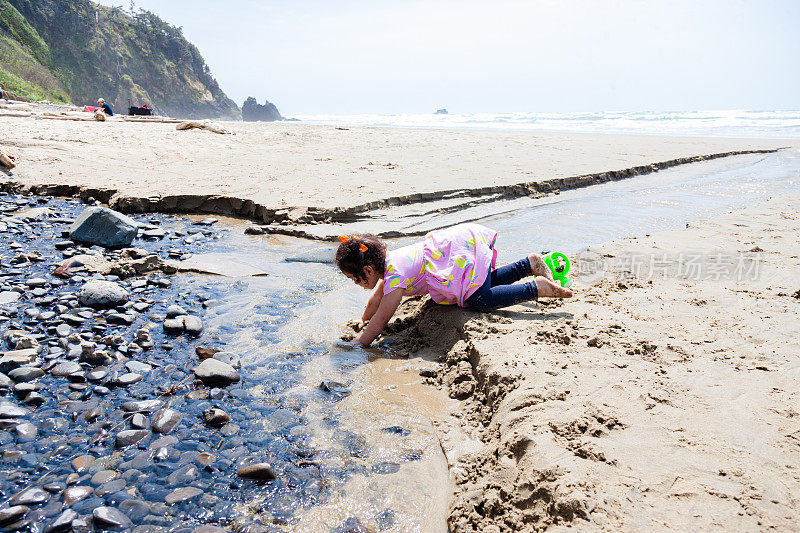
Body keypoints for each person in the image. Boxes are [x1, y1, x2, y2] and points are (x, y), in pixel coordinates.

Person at [335, 223, 573, 346]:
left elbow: (383, 317)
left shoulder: (395, 277)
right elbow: (375, 302)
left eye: (355, 279)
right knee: (481, 284)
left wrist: (361, 342)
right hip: (456, 247)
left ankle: (536, 288)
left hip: (458, 251)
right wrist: (363, 319)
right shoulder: (390, 266)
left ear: (368, 270)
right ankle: (527, 265)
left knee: (478, 298)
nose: (356, 283)